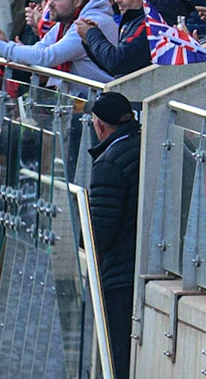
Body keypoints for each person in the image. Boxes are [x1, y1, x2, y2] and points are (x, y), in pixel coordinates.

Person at [86, 91, 141, 379]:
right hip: (143, 270)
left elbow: (100, 235)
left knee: (117, 360)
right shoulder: (151, 143)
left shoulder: (108, 162)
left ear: (99, 126)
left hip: (119, 278)